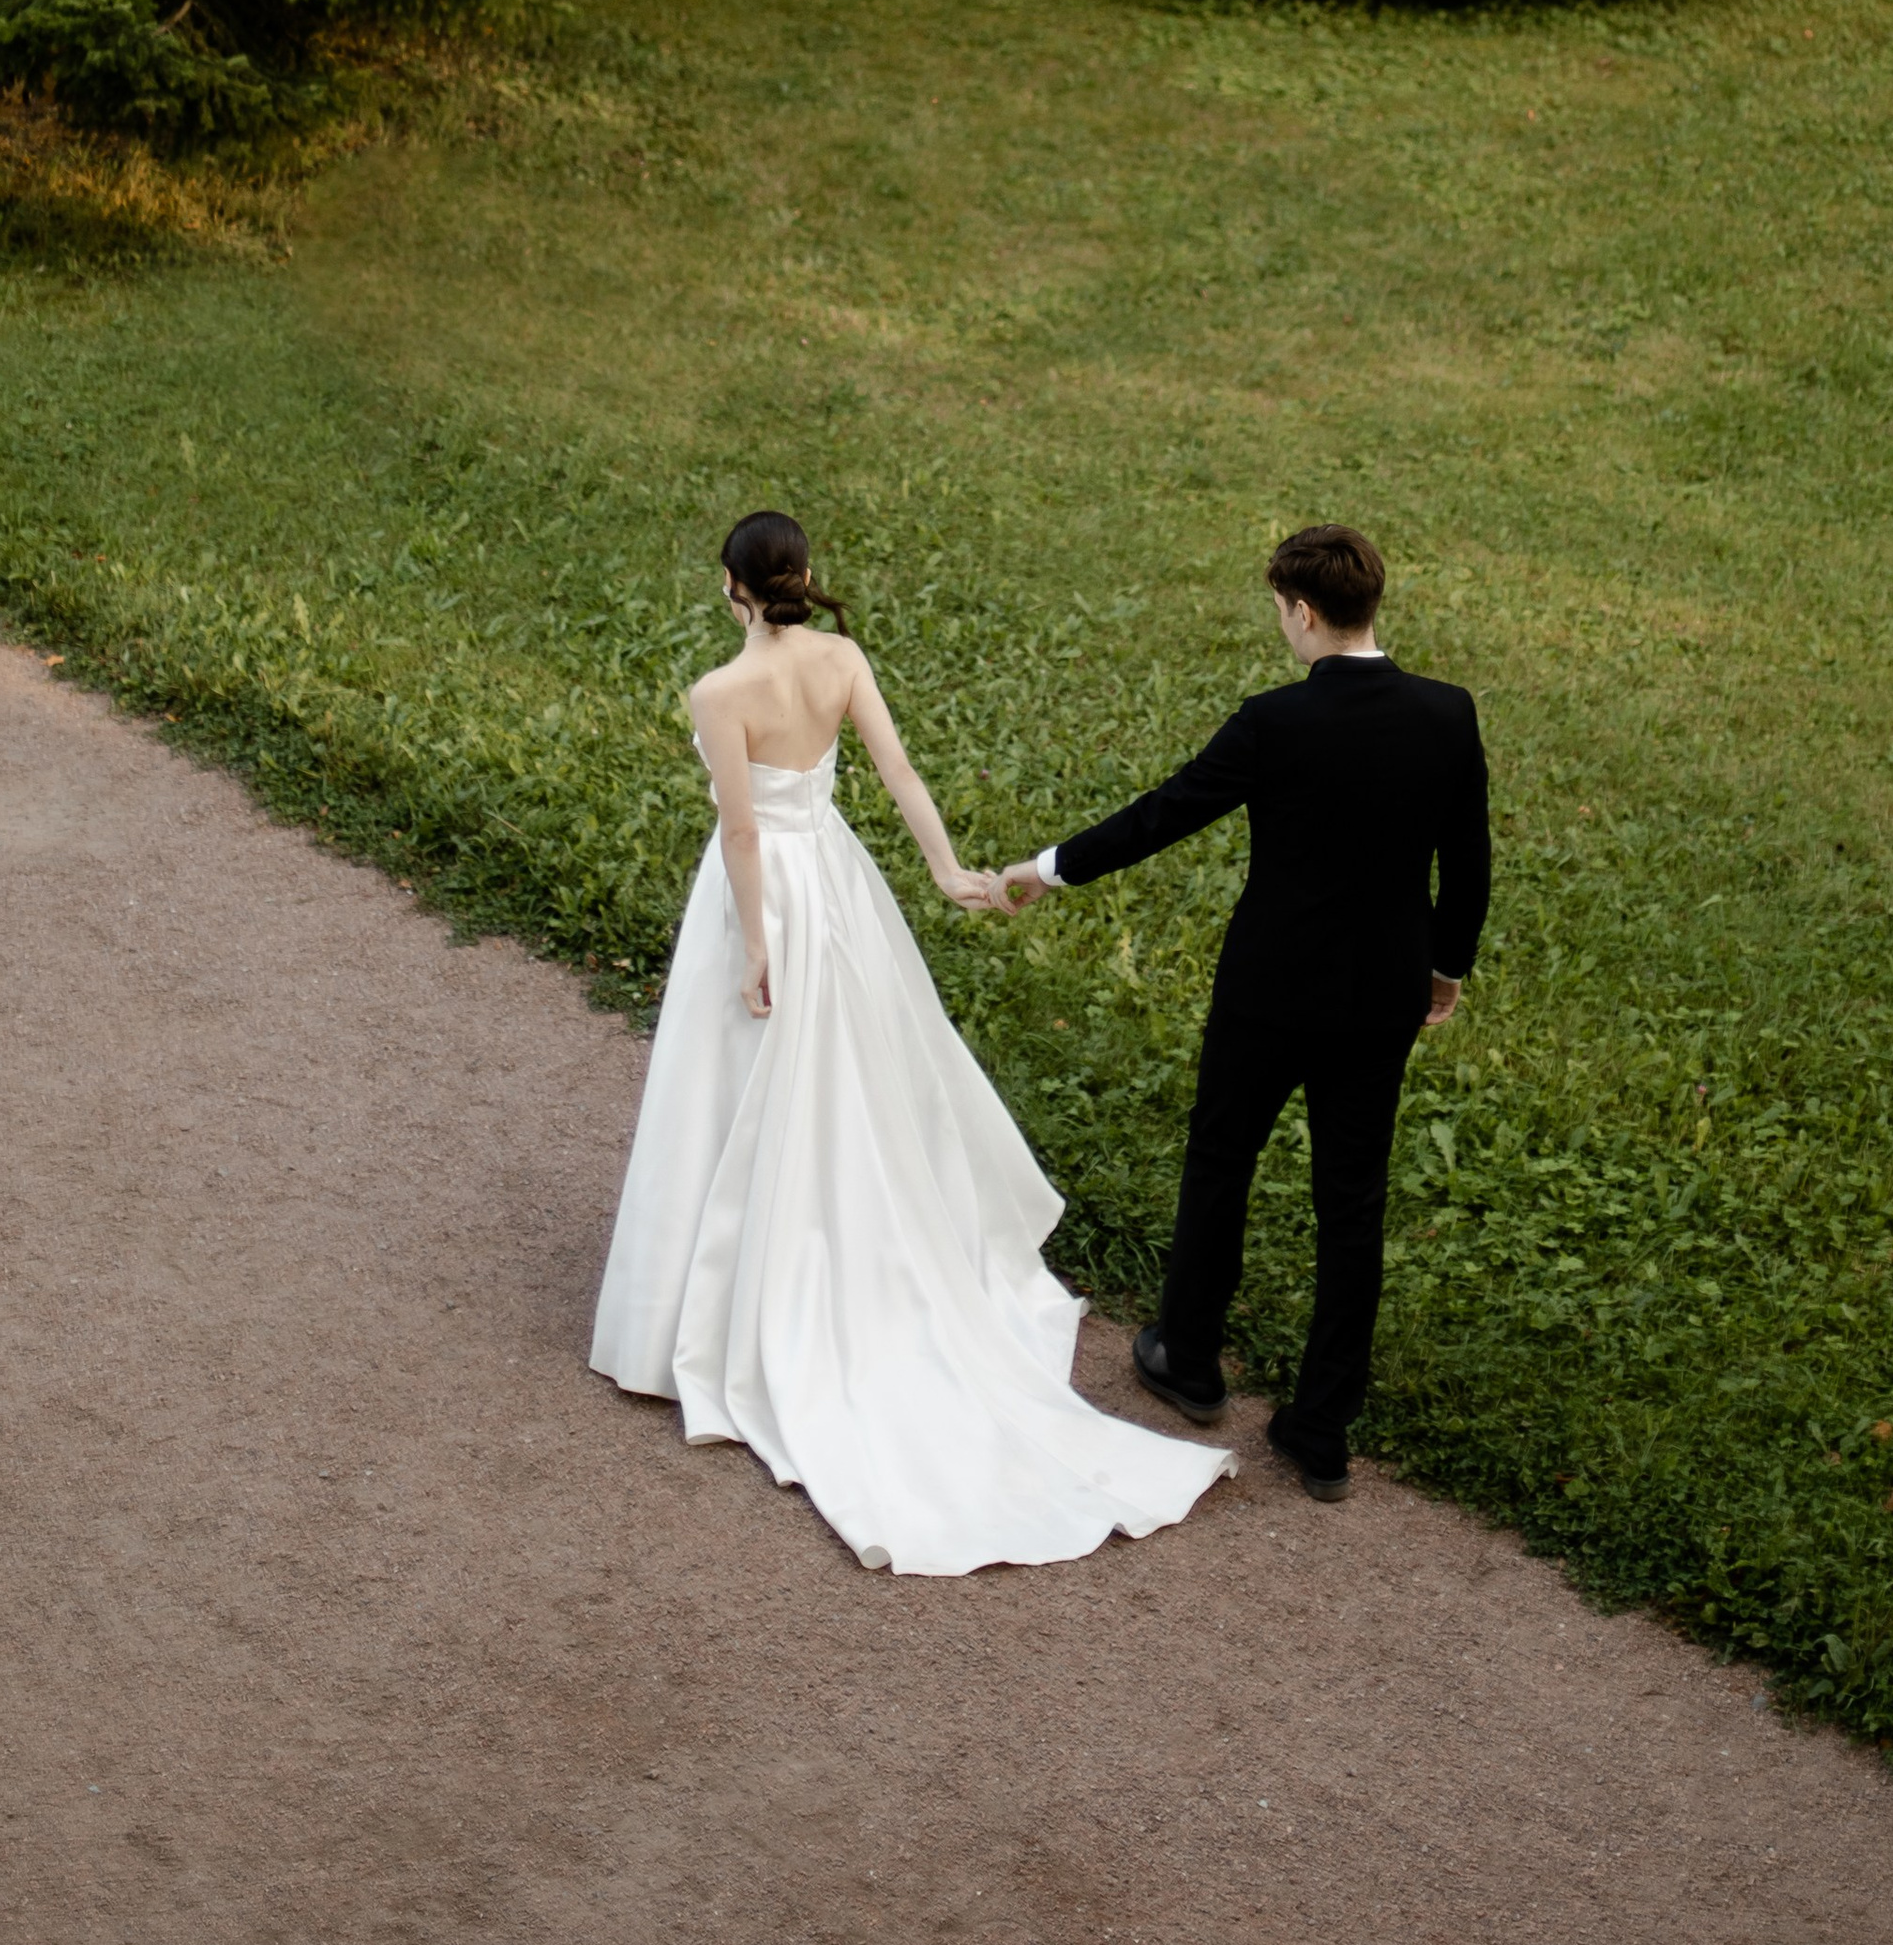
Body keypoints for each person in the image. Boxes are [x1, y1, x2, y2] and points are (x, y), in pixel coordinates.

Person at [590, 510, 1232, 1574]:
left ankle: (708, 1299)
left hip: (764, 896)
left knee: (733, 1083)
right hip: (836, 886)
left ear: (731, 588)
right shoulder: (841, 660)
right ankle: (839, 1242)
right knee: (852, 1074)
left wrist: (754, 947)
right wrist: (944, 874)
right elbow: (899, 776)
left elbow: (742, 832)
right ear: (801, 579)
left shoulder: (717, 694)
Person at [1001, 522, 1488, 1501]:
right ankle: (1319, 1430)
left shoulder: (1274, 722)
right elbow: (1467, 859)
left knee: (1223, 1156)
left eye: (1279, 611)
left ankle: (1187, 1356)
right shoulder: (1446, 715)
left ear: (1303, 611)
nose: (1281, 627)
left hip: (1270, 987)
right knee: (1351, 1202)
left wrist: (1048, 870)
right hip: (1382, 989)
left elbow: (1166, 812)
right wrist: (1446, 968)